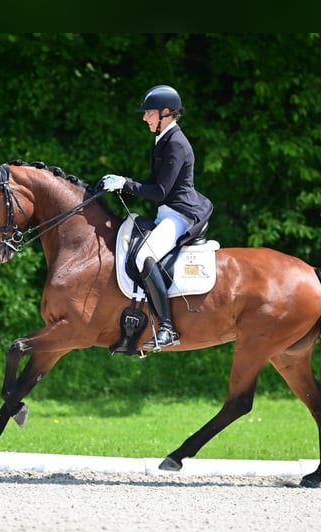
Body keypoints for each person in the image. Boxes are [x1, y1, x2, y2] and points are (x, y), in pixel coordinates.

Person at [98, 85, 213, 349]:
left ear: (165, 113)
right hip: (166, 214)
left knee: (142, 256)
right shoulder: (162, 139)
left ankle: (168, 328)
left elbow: (160, 191)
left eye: (148, 113)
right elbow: (153, 182)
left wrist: (125, 184)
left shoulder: (176, 143)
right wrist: (121, 183)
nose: (144, 118)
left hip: (180, 215)